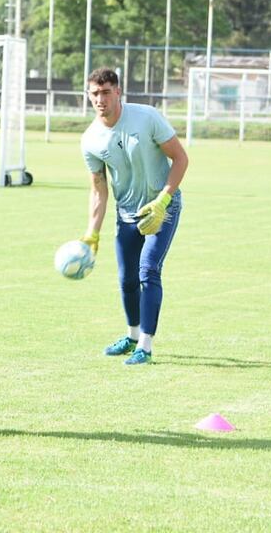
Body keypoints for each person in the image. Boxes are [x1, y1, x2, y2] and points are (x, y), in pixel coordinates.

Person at [79, 68, 188, 365]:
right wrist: (92, 232)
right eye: (94, 93)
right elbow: (99, 189)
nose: (100, 99)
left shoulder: (146, 117)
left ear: (118, 92)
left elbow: (180, 158)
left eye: (106, 92)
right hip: (127, 214)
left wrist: (162, 201)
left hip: (163, 209)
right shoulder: (90, 140)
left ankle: (146, 346)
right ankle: (132, 336)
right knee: (126, 278)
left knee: (148, 270)